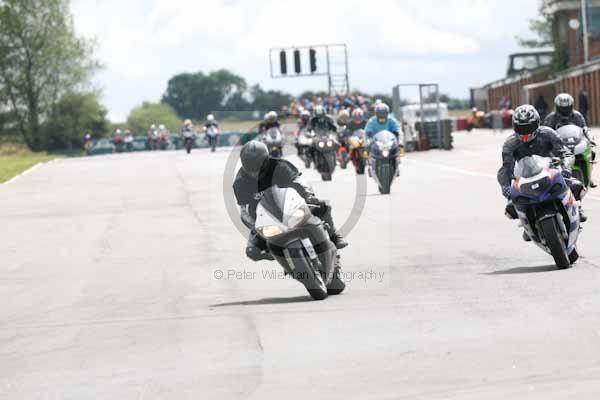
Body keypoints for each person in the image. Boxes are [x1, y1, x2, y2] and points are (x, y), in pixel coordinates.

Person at [233, 141, 348, 261]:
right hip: (266, 219)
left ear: (266, 159)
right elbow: (244, 209)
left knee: (322, 206)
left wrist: (308, 196)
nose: (255, 167)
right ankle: (279, 255)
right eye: (250, 164)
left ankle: (334, 236)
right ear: (243, 163)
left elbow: (298, 181)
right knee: (252, 251)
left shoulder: (280, 166)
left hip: (290, 207)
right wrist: (254, 225)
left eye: (258, 163)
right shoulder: (240, 182)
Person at [498, 105, 587, 231]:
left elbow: (565, 153)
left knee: (576, 186)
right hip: (525, 178)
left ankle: (577, 208)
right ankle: (527, 223)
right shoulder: (510, 144)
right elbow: (506, 167)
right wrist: (505, 187)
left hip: (551, 171)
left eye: (528, 127)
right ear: (514, 127)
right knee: (510, 206)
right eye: (521, 128)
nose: (525, 132)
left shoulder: (548, 133)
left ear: (537, 123)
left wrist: (566, 167)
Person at [544, 93, 597, 187]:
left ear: (571, 106)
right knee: (548, 158)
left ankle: (588, 176)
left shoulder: (577, 115)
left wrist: (590, 138)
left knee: (591, 152)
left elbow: (584, 128)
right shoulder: (550, 118)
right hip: (559, 144)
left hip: (575, 142)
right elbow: (546, 132)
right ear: (557, 107)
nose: (565, 111)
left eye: (567, 108)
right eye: (562, 108)